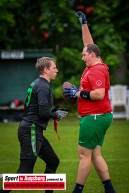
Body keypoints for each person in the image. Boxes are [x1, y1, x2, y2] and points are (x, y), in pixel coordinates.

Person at [64, 11, 116, 193]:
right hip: (100, 116)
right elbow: (88, 44)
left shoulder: (95, 71)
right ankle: (110, 190)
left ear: (92, 55)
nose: (82, 57)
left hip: (94, 117)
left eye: (84, 55)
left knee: (83, 155)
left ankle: (77, 191)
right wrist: (83, 24)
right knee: (95, 155)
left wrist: (78, 93)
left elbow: (99, 94)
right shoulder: (95, 62)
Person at [0, 57, 68, 193]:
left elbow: (35, 109)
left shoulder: (37, 83)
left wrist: (52, 112)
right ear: (46, 69)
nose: (57, 70)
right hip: (31, 130)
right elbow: (42, 113)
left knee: (53, 161)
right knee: (25, 171)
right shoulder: (43, 86)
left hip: (33, 130)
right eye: (54, 68)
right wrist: (55, 115)